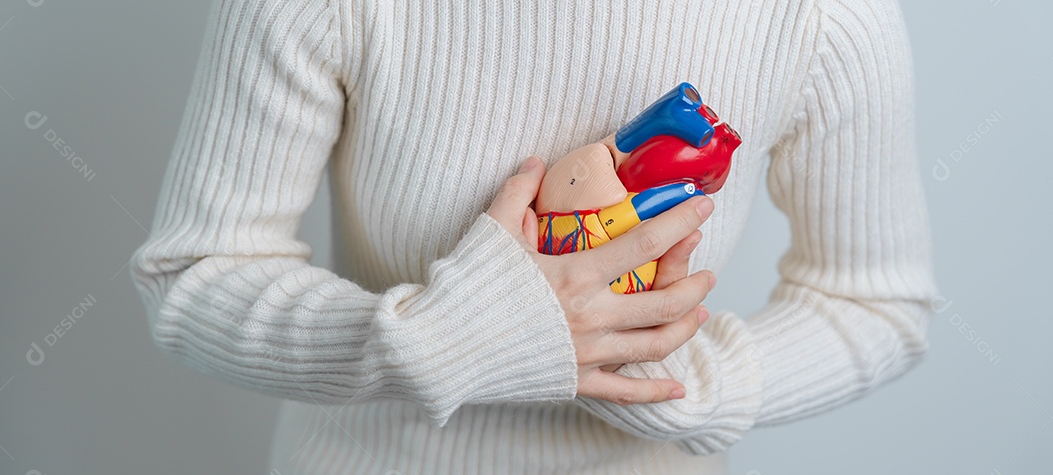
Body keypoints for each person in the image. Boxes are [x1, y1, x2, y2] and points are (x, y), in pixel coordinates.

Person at [130, 0, 939, 473]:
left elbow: (874, 301)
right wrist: (445, 339)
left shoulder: (818, 17)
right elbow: (194, 273)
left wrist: (678, 381)